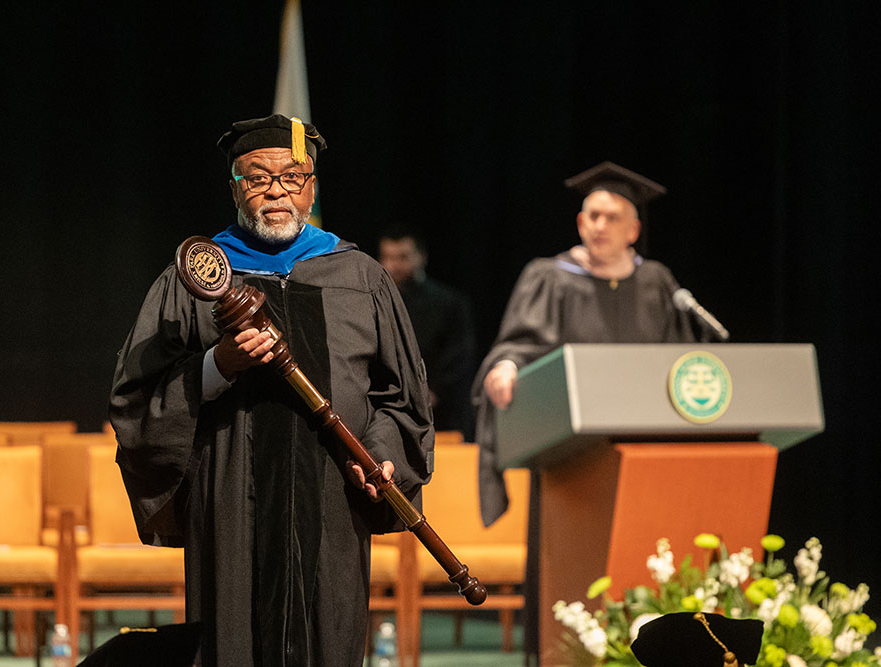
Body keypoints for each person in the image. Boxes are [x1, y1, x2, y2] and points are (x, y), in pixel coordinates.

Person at [110, 114, 434, 667]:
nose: (276, 191)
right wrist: (216, 364)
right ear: (234, 187)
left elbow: (403, 394)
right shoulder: (196, 276)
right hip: (231, 491)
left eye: (292, 177)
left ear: (312, 187)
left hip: (334, 488)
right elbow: (136, 396)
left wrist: (381, 452)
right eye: (257, 178)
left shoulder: (359, 276)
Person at [471, 161, 696, 660]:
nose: (599, 225)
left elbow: (681, 364)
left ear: (634, 229)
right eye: (592, 215)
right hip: (568, 457)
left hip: (645, 457)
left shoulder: (658, 282)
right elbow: (516, 345)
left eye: (612, 217)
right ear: (579, 222)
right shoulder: (550, 277)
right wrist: (504, 368)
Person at [378, 226, 477, 439]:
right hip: (389, 410)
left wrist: (433, 392)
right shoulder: (374, 303)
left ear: (421, 257)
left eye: (403, 257)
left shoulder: (449, 303)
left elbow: (460, 356)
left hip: (442, 414)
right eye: (388, 257)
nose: (394, 265)